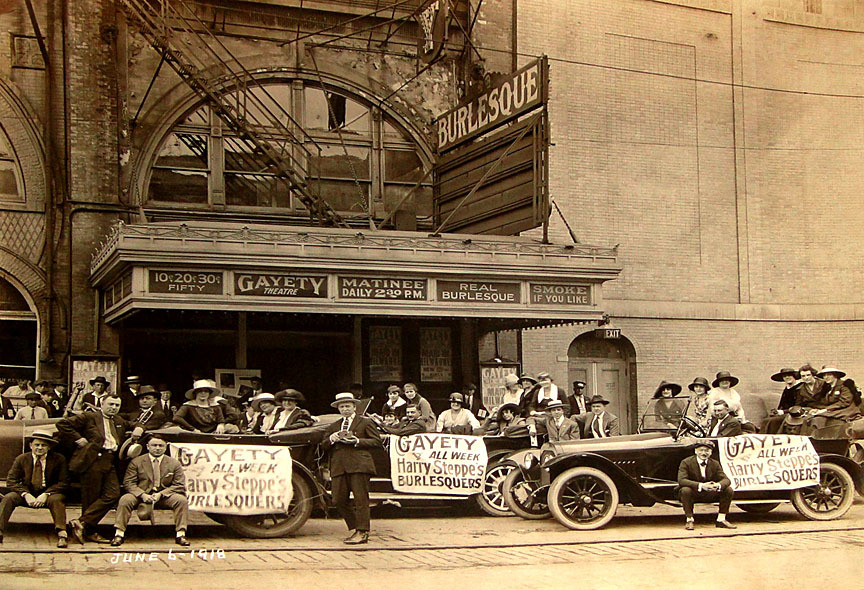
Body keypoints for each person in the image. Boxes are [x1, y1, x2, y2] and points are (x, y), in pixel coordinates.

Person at [57, 394, 133, 543]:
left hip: (109, 460)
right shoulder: (89, 417)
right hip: (92, 461)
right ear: (102, 404)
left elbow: (134, 425)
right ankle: (89, 532)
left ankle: (82, 523)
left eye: (117, 405)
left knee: (113, 494)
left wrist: (139, 429)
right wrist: (78, 438)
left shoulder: (118, 420)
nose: (113, 408)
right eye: (110, 404)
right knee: (90, 498)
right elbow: (62, 424)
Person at [321, 392, 382, 545]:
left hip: (359, 465)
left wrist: (357, 441)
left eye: (348, 406)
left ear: (354, 407)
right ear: (338, 409)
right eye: (342, 406)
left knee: (361, 499)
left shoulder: (365, 422)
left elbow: (376, 441)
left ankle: (362, 532)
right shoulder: (333, 426)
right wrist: (331, 439)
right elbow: (323, 446)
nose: (345, 409)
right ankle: (357, 527)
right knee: (338, 499)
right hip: (339, 466)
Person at [111, 435, 190, 547]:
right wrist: (142, 494)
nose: (157, 448)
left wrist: (161, 494)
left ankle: (180, 534)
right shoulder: (136, 462)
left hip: (163, 496)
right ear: (148, 447)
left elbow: (179, 485)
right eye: (154, 445)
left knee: (181, 500)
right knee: (125, 500)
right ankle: (119, 534)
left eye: (160, 445)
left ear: (165, 447)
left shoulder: (174, 463)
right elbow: (129, 483)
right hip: (140, 494)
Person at [0, 430, 69, 547]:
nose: (40, 448)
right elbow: (11, 481)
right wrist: (26, 494)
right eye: (37, 445)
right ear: (30, 445)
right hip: (28, 493)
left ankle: (62, 534)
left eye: (44, 445)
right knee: (9, 498)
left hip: (50, 493)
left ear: (49, 447)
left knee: (56, 500)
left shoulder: (59, 459)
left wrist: (46, 494)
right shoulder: (22, 459)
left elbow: (64, 482)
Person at [678, 440, 736, 530]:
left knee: (728, 490)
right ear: (695, 451)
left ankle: (721, 519)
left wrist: (717, 485)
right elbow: (682, 480)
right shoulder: (686, 462)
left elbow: (726, 480)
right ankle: (689, 520)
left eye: (707, 451)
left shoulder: (714, 463)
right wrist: (701, 485)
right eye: (701, 450)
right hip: (695, 492)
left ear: (711, 452)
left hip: (710, 492)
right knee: (685, 490)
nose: (704, 453)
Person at [804, 367, 862, 434]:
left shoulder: (844, 386)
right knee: (812, 417)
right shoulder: (827, 388)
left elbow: (844, 402)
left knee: (820, 418)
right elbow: (825, 402)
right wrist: (816, 409)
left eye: (829, 375)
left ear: (835, 375)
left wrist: (825, 410)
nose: (826, 377)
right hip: (834, 410)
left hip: (846, 410)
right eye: (824, 375)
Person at [762, 368, 803, 434]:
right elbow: (782, 403)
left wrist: (783, 411)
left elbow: (798, 405)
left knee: (772, 421)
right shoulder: (787, 389)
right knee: (766, 420)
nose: (787, 377)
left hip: (795, 413)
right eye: (784, 376)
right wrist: (777, 411)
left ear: (794, 376)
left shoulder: (800, 388)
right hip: (785, 413)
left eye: (789, 375)